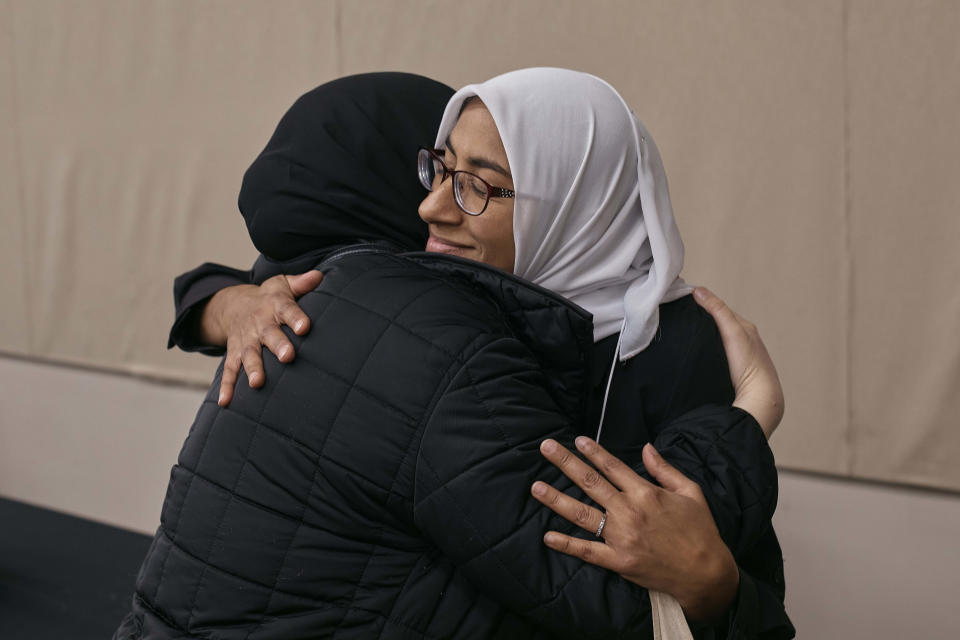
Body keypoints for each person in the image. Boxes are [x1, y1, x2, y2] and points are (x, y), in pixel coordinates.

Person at [126, 70, 791, 638]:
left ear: (569, 200)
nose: (432, 205)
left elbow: (706, 570)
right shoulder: (438, 322)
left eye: (481, 183)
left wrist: (716, 586)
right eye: (439, 169)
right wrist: (226, 303)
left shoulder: (673, 344)